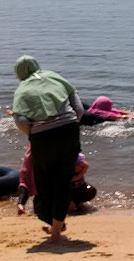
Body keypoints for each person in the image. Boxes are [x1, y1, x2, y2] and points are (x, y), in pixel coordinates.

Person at [11, 55, 86, 242]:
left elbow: (20, 120)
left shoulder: (22, 89)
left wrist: (33, 134)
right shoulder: (55, 77)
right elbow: (79, 109)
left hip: (42, 138)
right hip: (69, 131)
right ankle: (55, 229)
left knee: (44, 182)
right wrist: (70, 125)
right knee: (62, 180)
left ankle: (54, 229)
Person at [15, 146, 96, 216]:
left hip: (71, 187)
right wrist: (21, 203)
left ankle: (76, 202)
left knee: (89, 191)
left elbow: (84, 165)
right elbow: (25, 178)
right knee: (40, 210)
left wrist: (78, 175)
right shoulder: (34, 153)